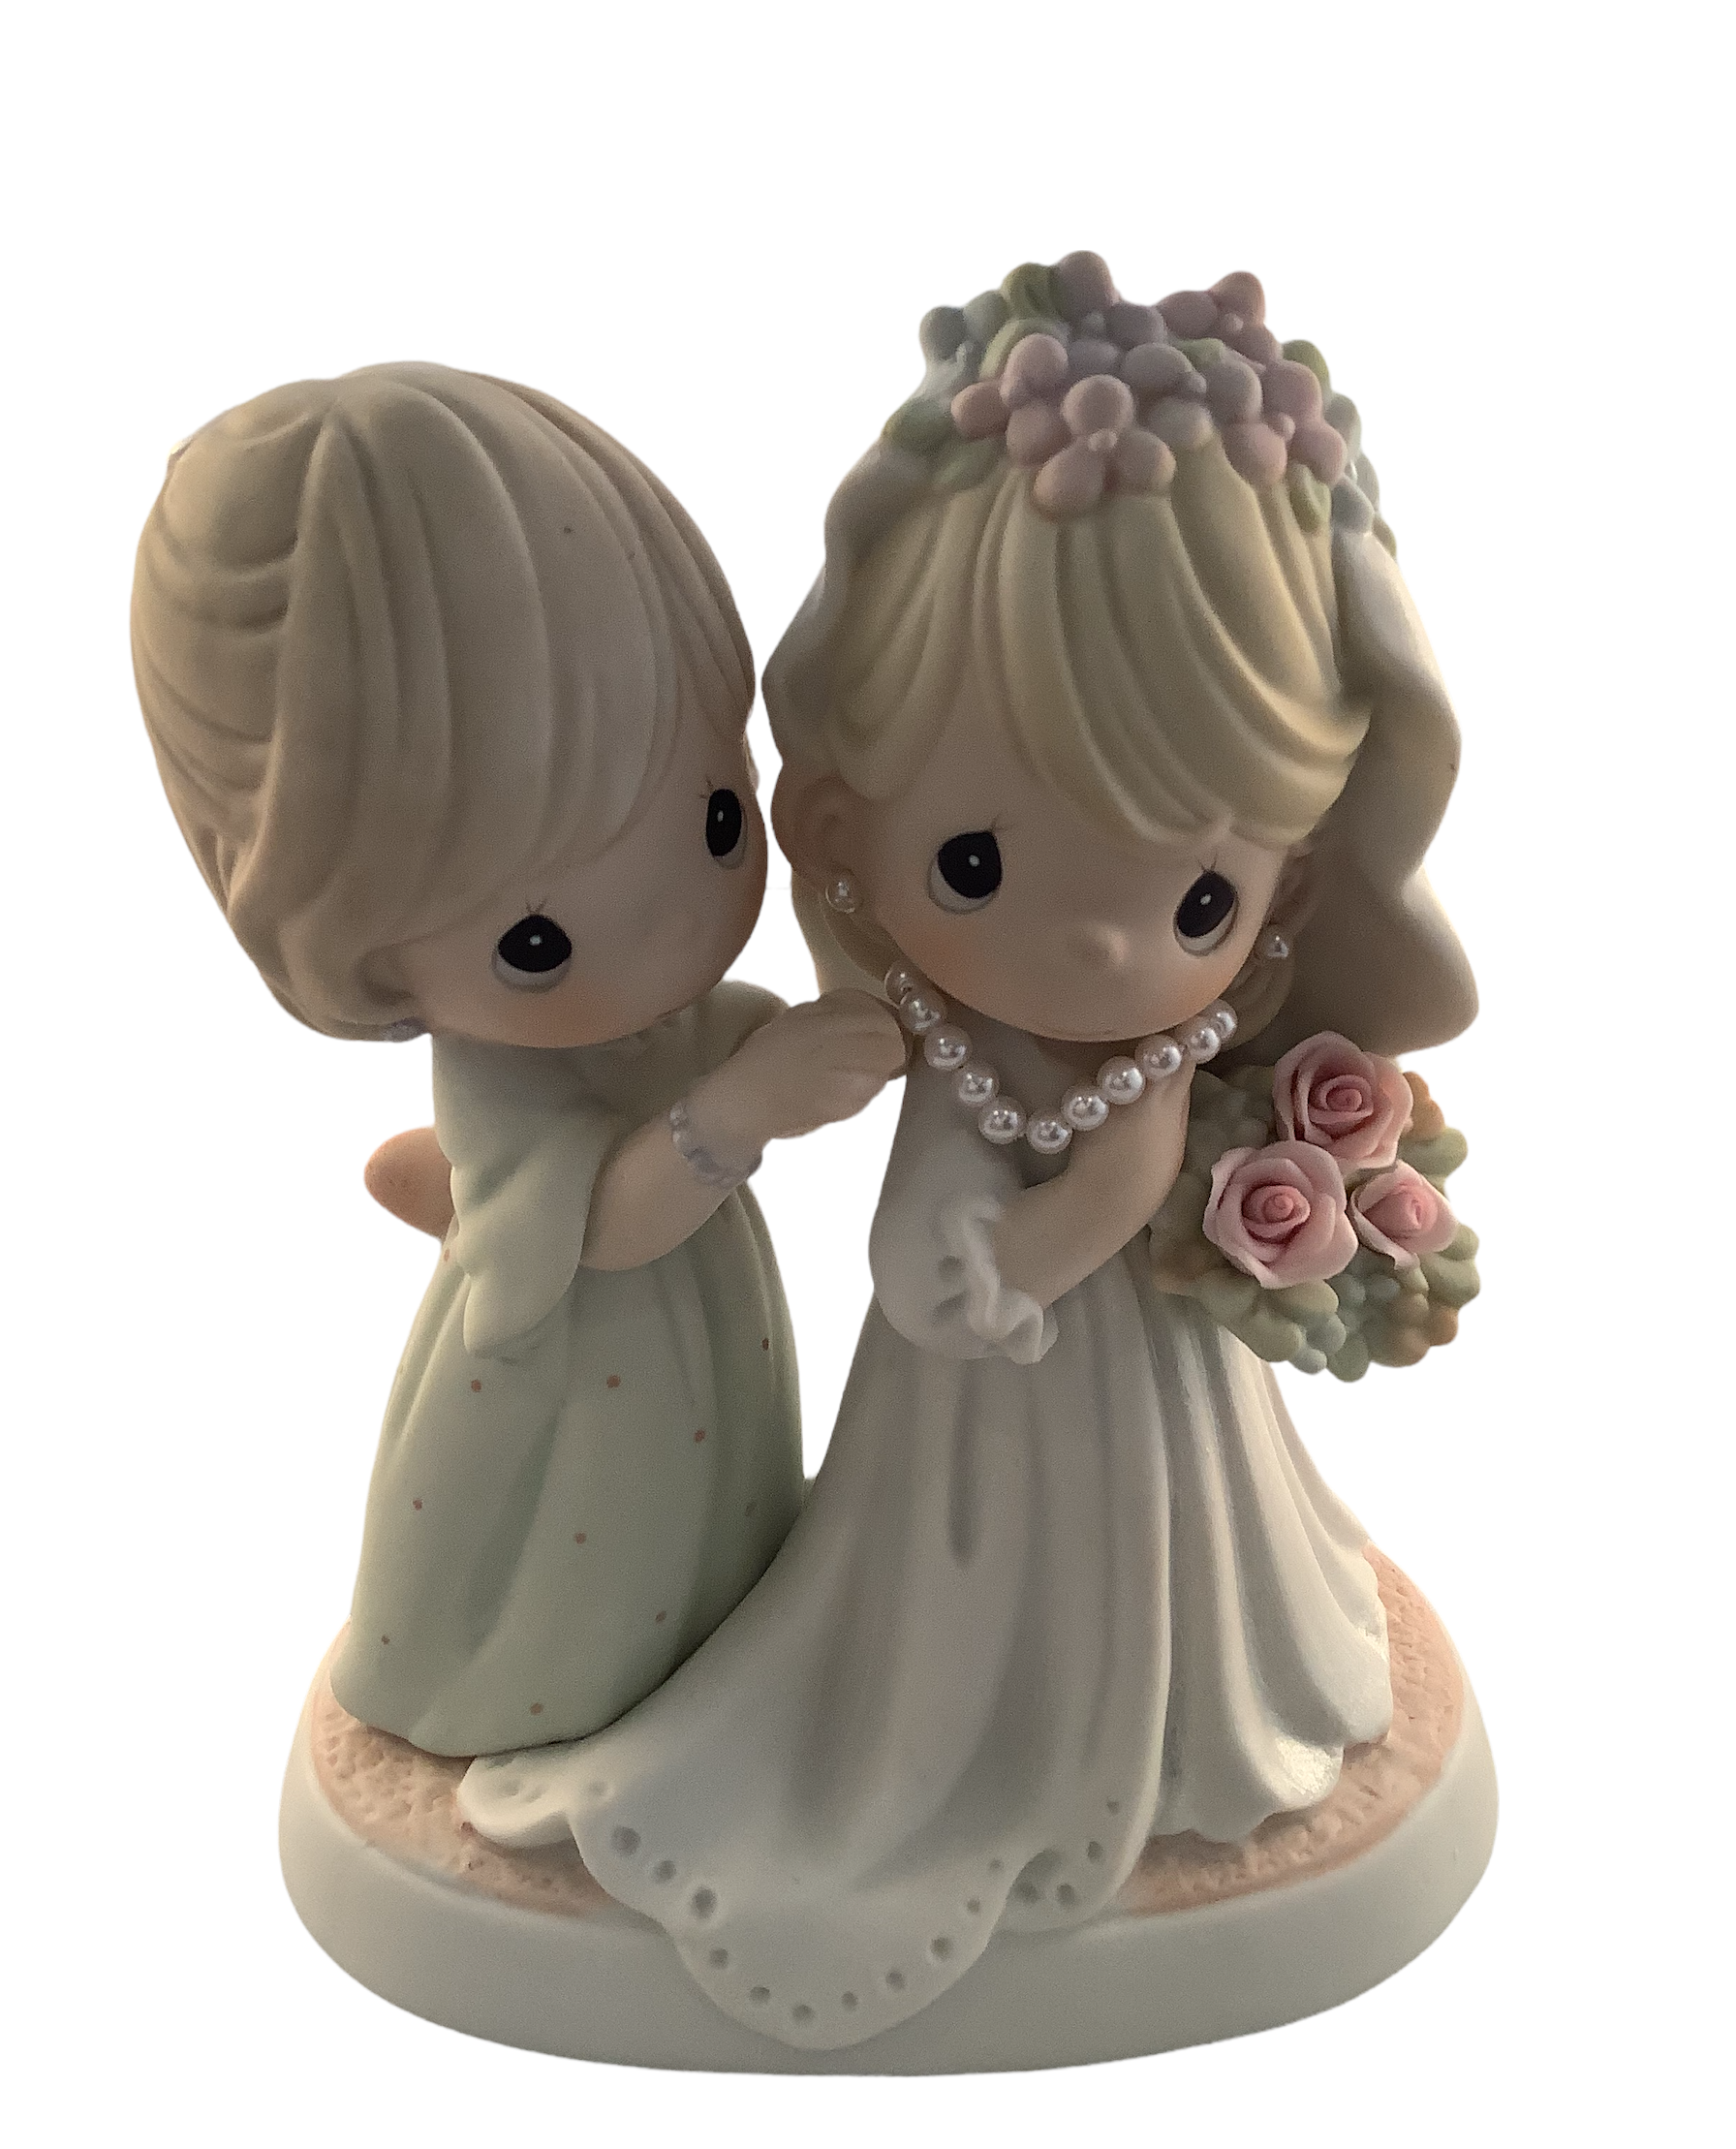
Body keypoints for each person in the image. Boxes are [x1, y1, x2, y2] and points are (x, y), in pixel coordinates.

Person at [457, 258, 1477, 2051]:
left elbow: (1125, 1178)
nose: (1097, 951)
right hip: (964, 1427)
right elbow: (928, 1224)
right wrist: (995, 1247)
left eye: (1199, 898)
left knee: (1191, 1555)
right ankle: (958, 1730)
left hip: (1140, 1396)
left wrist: (1092, 1223)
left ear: (1290, 884)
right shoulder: (948, 1046)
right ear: (849, 828)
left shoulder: (1168, 1051)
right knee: (953, 1615)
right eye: (980, 867)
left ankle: (1171, 1713)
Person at [132, 361, 901, 1756]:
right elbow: (594, 1231)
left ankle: (712, 1639)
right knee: (597, 1559)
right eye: (534, 940)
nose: (674, 927)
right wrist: (741, 1109)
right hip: (579, 1368)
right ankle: (545, 1694)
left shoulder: (643, 1014)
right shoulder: (501, 1075)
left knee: (714, 1520)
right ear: (362, 953)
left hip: (699, 1321)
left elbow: (706, 1031)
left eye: (717, 819)